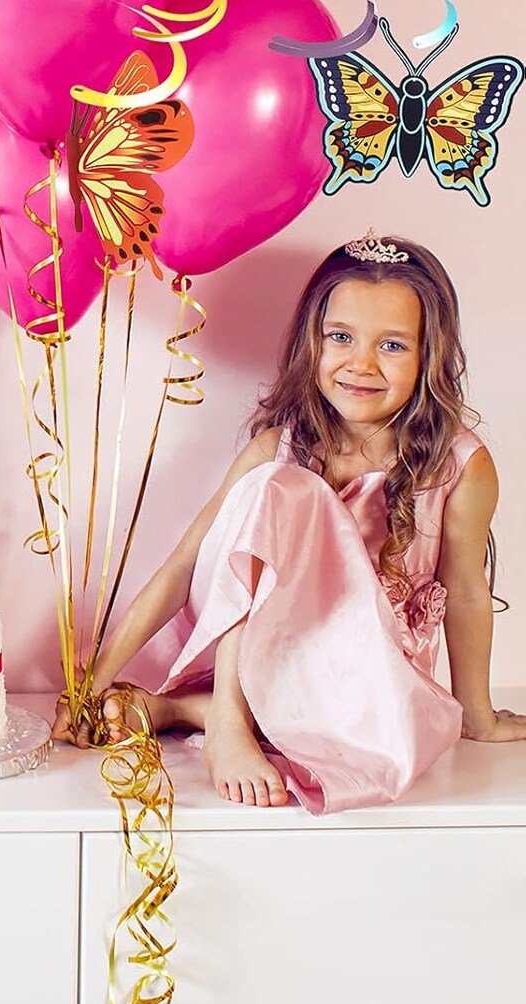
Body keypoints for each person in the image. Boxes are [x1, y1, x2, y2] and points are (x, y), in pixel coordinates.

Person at [54, 231, 525, 813]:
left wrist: (477, 714)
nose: (361, 364)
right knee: (278, 486)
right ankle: (227, 720)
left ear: (429, 355)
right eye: (341, 337)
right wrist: (92, 680)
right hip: (265, 664)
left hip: (366, 685)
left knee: (395, 732)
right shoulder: (279, 452)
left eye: (393, 345)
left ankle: (185, 710)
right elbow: (185, 567)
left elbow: (468, 592)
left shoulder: (459, 464)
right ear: (313, 341)